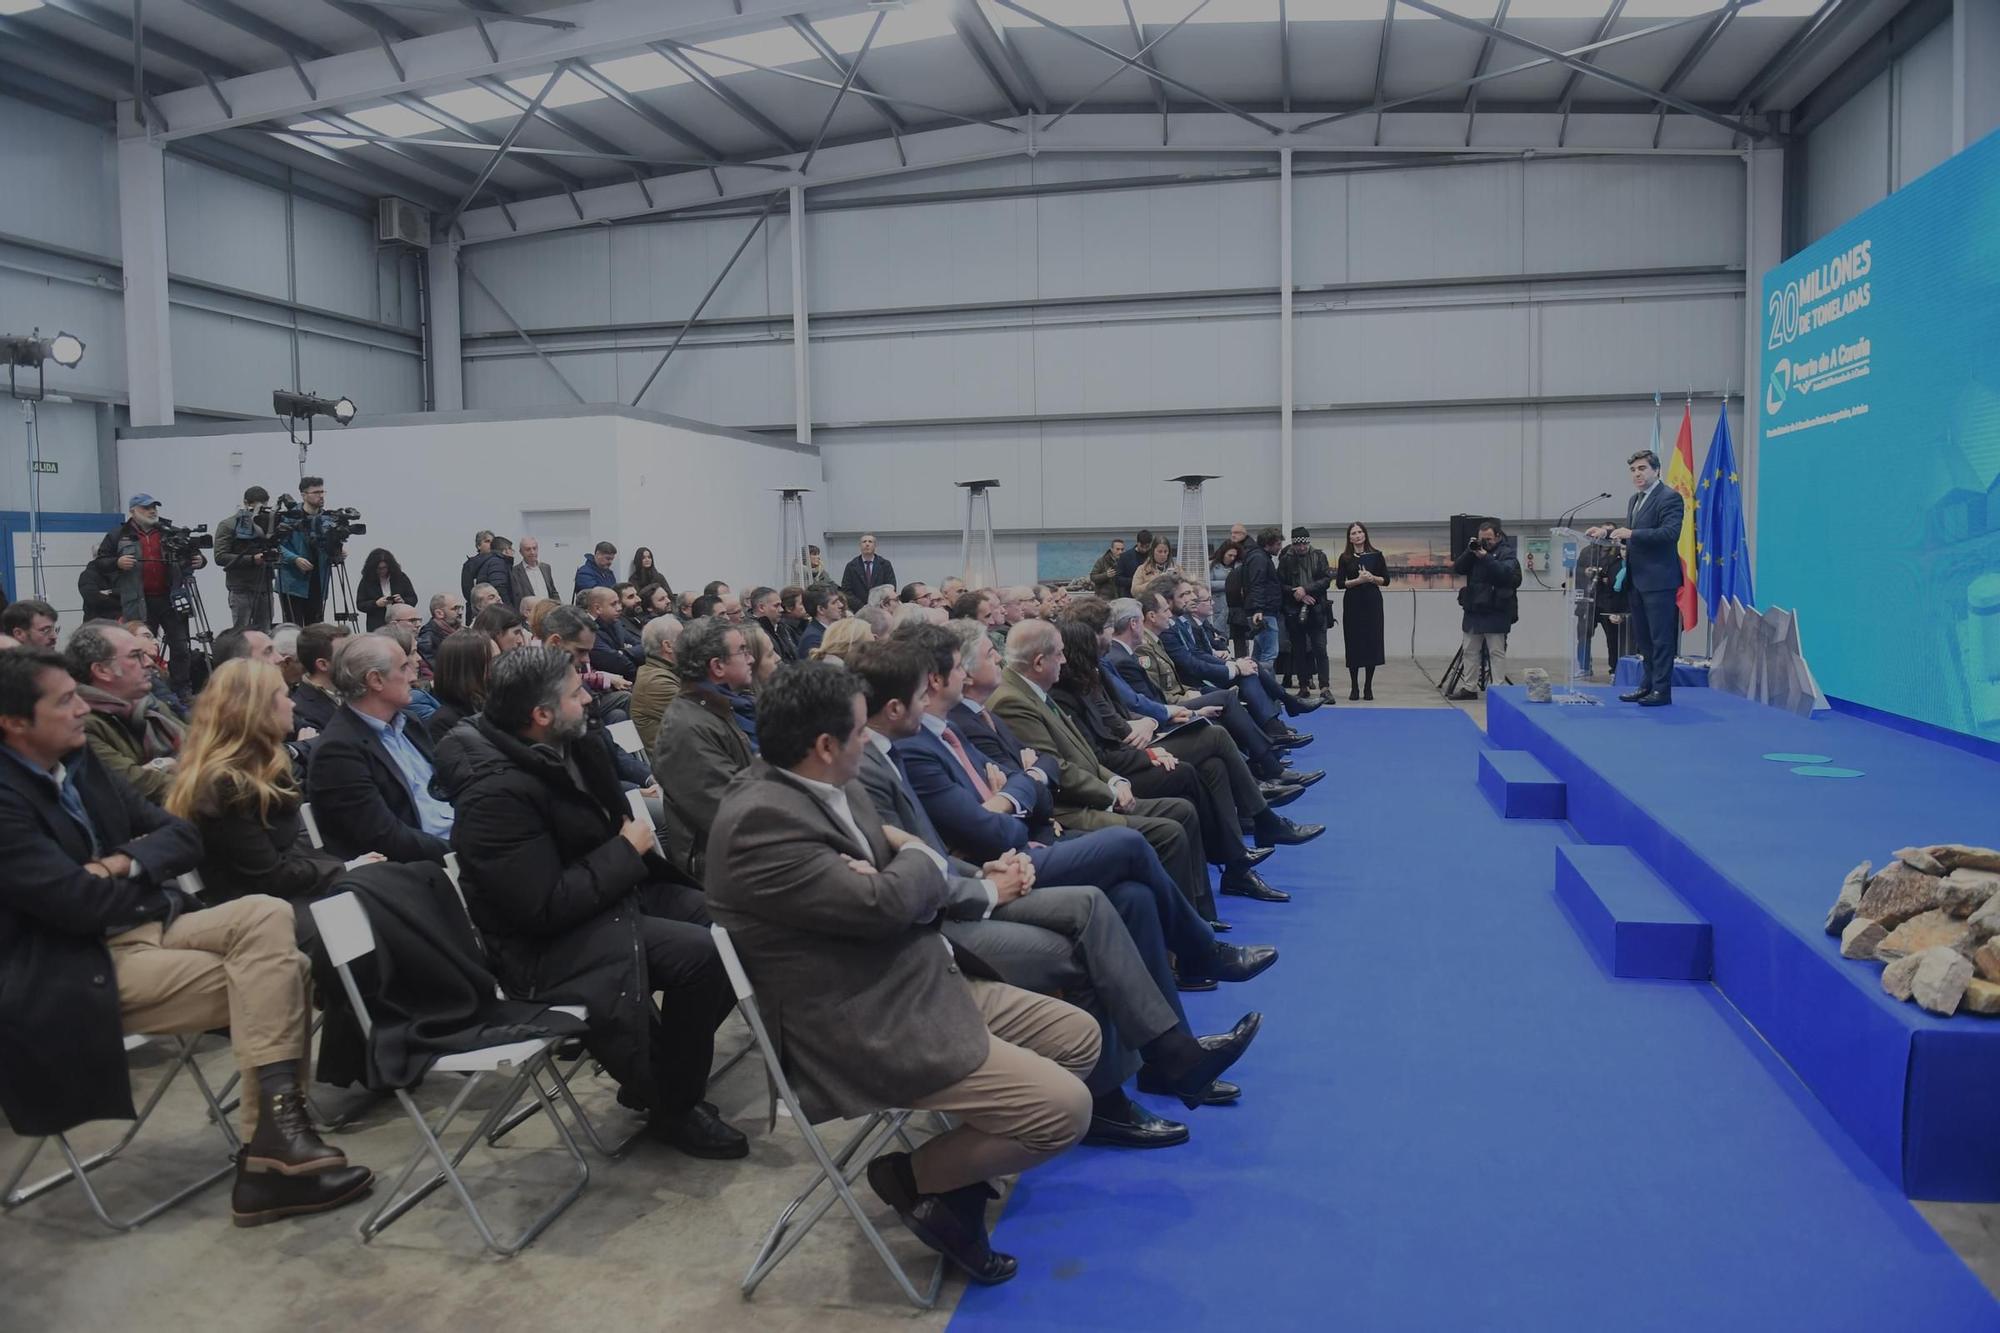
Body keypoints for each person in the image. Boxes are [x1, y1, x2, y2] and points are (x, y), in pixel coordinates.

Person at [704, 661, 1101, 1284]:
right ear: (825, 745)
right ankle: (911, 1178)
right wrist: (912, 861)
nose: (874, 741)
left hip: (910, 975)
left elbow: (897, 882)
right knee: (1065, 1111)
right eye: (861, 732)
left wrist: (951, 879)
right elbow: (891, 893)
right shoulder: (763, 820)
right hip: (862, 1022)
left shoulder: (826, 781)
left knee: (1080, 1038)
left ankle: (949, 1188)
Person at [0, 649, 375, 1226]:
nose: (82, 710)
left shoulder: (77, 762)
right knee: (284, 974)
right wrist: (138, 874)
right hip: (70, 965)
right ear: (14, 723)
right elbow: (74, 908)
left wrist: (116, 865)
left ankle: (273, 1149)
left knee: (263, 915)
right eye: (65, 701)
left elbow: (180, 837)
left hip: (146, 924)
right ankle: (269, 1158)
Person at [848, 639, 1263, 1150]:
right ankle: (1179, 1004)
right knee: (1118, 867)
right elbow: (975, 833)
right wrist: (988, 874)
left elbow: (1033, 778)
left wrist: (1016, 795)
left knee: (1130, 895)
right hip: (958, 909)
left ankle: (1167, 1059)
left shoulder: (917, 740)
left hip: (996, 864)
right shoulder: (889, 758)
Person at [435, 647, 746, 1159]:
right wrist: (625, 851)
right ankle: (675, 1105)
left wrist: (624, 855)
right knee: (701, 956)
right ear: (541, 715)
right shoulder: (494, 795)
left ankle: (659, 1074)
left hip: (609, 898)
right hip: (544, 944)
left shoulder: (571, 745)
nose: (589, 699)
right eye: (576, 693)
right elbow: (540, 907)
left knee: (736, 926)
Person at [987, 621, 1219, 921]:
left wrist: (1114, 780)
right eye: (1059, 654)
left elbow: (1080, 751)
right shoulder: (1012, 700)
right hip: (1068, 809)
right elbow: (1058, 767)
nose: (1065, 659)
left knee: (1184, 808)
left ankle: (1200, 915)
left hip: (1096, 785)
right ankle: (1189, 936)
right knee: (1170, 828)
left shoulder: (1033, 691)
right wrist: (1108, 791)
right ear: (1039, 661)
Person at [165, 659, 353, 910]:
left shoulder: (259, 769)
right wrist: (348, 869)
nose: (293, 704)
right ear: (259, 709)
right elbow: (269, 876)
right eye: (285, 696)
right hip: (262, 911)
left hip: (292, 893)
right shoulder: (224, 784)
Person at [306, 633, 453, 864]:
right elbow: (385, 837)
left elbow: (446, 788)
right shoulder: (338, 752)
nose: (413, 676)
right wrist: (460, 849)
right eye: (403, 667)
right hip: (422, 868)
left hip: (459, 841)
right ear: (376, 680)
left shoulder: (409, 723)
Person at [650, 618, 756, 879]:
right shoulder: (686, 728)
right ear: (717, 666)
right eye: (742, 650)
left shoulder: (711, 706)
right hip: (720, 862)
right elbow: (735, 815)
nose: (751, 658)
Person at [1591, 449, 1685, 707]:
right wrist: (1607, 531)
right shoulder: (1635, 500)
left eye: (1642, 468)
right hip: (1636, 579)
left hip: (1659, 580)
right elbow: (1630, 529)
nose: (1637, 474)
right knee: (1642, 638)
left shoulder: (1670, 497)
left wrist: (1632, 534)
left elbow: (1669, 533)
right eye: (1633, 470)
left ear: (1656, 470)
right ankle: (1647, 684)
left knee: (1660, 638)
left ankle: (1662, 690)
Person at [91, 494, 207, 691]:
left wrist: (199, 560)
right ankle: (147, 690)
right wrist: (117, 563)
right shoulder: (118, 534)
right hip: (137, 601)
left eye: (154, 507)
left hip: (170, 599)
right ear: (133, 511)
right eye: (146, 508)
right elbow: (100, 562)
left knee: (180, 647)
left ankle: (182, 691)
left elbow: (192, 554)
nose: (152, 511)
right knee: (139, 649)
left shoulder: (169, 532)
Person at [67, 622, 187, 802]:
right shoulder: (81, 725)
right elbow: (137, 784)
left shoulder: (151, 706)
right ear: (102, 670)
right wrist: (199, 780)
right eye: (135, 656)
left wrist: (160, 766)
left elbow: (203, 748)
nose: (148, 663)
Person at [1449, 518, 1521, 700]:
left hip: (1496, 610)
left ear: (1497, 536)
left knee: (1496, 651)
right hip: (1475, 608)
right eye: (1482, 539)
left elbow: (1505, 575)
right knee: (1470, 650)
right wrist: (1470, 551)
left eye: (1488, 539)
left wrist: (1486, 557)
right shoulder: (1474, 551)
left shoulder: (1507, 553)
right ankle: (1469, 687)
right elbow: (1458, 568)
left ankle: (1498, 688)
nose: (1485, 542)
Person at [276, 477, 344, 627]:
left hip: (318, 580)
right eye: (316, 492)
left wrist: (337, 552)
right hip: (292, 582)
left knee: (316, 628)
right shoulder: (289, 517)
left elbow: (329, 547)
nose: (321, 495)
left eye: (322, 491)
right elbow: (276, 545)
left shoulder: (327, 519)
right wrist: (294, 559)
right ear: (303, 494)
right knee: (293, 628)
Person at [1335, 522, 1390, 700]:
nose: (1357, 535)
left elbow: (1386, 580)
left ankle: (1368, 686)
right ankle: (1354, 686)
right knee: (1354, 642)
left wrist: (1372, 578)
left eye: (1360, 532)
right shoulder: (1345, 558)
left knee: (1371, 642)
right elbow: (1340, 583)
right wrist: (1357, 581)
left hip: (1372, 603)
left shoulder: (1377, 555)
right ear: (1349, 538)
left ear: (1365, 535)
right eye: (1353, 533)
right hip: (1353, 603)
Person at [1278, 527, 1335, 701]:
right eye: (1297, 544)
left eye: (1304, 544)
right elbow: (1279, 584)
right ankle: (1303, 686)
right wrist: (1296, 593)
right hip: (1294, 611)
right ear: (1293, 544)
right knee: (1299, 651)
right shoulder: (1286, 559)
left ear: (1308, 542)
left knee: (1320, 649)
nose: (1301, 548)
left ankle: (1324, 687)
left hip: (1317, 609)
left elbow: (1326, 580)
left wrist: (1306, 590)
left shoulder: (1319, 556)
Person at [214, 485, 277, 632]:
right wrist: (252, 559)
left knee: (265, 633)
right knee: (241, 635)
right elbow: (220, 557)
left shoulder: (269, 524)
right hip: (241, 588)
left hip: (265, 587)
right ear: (246, 503)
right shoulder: (229, 525)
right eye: (255, 505)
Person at [426, 628, 496, 738]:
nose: (502, 665)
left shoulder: (494, 705)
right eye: (495, 660)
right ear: (471, 669)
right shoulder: (444, 722)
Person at [629, 615, 684, 753]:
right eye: (683, 638)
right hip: (675, 764)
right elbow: (703, 716)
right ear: (668, 645)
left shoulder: (663, 671)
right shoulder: (657, 683)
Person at [1575, 538, 1627, 679]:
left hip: (1609, 603)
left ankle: (1615, 670)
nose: (1605, 539)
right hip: (1588, 602)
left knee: (1613, 639)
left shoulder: (1619, 552)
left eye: (1608, 535)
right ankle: (1584, 667)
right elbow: (1577, 570)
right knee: (1583, 636)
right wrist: (1585, 571)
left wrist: (1607, 578)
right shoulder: (1587, 551)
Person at [289, 622, 347, 737]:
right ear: (323, 665)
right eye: (343, 653)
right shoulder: (302, 711)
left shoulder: (352, 690)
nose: (351, 657)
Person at [1239, 527, 1285, 670]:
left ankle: (1256, 688)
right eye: (1278, 544)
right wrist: (1258, 609)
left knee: (1257, 657)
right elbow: (1257, 584)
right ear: (1268, 543)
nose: (1280, 547)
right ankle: (1268, 690)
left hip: (1260, 611)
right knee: (1269, 655)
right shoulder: (1260, 559)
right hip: (1264, 612)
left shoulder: (1255, 556)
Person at [584, 587, 644, 676]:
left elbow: (643, 647)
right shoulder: (586, 630)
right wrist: (629, 653)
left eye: (619, 603)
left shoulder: (616, 623)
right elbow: (617, 663)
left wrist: (622, 652)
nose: (619, 608)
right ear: (597, 608)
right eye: (613, 604)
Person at [839, 534, 898, 609]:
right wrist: (862, 606)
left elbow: (891, 587)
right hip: (858, 609)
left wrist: (879, 604)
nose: (867, 544)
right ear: (860, 546)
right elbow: (846, 590)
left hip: (881, 608)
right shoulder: (851, 566)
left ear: (875, 546)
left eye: (870, 542)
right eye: (864, 542)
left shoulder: (885, 565)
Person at [416, 591, 464, 672]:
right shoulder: (427, 638)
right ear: (439, 613)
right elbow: (439, 670)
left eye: (460, 608)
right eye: (455, 609)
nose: (460, 612)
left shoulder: (461, 631)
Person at [511, 536, 561, 605]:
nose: (532, 552)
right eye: (528, 549)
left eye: (534, 548)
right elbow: (516, 598)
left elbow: (553, 591)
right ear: (521, 552)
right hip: (530, 613)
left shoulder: (546, 568)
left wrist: (559, 607)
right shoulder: (514, 572)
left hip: (548, 611)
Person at [797, 586, 845, 656]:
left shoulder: (833, 630)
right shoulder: (813, 639)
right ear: (821, 609)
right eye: (834, 602)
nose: (841, 605)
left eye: (839, 601)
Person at [469, 536, 515, 607]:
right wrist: (508, 608)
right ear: (506, 550)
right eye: (511, 549)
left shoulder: (490, 561)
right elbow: (499, 587)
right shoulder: (498, 562)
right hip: (498, 609)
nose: (513, 552)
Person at [1113, 529, 1151, 599]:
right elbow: (1117, 579)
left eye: (1147, 547)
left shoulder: (1153, 556)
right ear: (1137, 543)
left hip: (1149, 597)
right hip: (1130, 597)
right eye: (1142, 546)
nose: (1144, 549)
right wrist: (1136, 581)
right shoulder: (1125, 556)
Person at [459, 530, 494, 602]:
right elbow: (467, 592)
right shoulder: (469, 565)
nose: (491, 544)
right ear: (479, 546)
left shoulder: (500, 562)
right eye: (487, 541)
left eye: (493, 542)